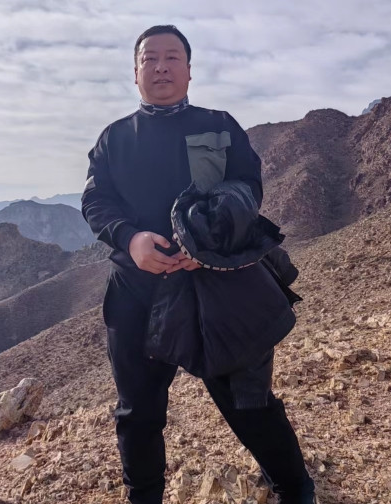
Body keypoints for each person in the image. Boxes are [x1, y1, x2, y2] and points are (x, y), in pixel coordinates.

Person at [81, 25, 316, 504]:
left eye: (172, 57)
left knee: (250, 403)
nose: (161, 67)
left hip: (216, 288)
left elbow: (248, 187)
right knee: (138, 413)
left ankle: (297, 492)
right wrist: (131, 239)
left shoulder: (219, 125)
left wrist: (206, 242)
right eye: (149, 59)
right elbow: (96, 201)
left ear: (189, 70)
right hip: (137, 289)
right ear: (135, 72)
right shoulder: (114, 138)